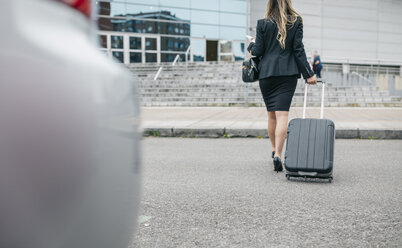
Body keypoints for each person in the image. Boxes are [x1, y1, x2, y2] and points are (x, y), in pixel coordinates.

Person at [247, 0, 317, 172]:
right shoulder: (296, 21)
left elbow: (258, 51)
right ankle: (279, 153)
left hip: (267, 75)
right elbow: (298, 49)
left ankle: (273, 149)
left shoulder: (263, 23)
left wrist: (251, 44)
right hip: (288, 74)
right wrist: (309, 74)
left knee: (271, 115)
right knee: (282, 115)